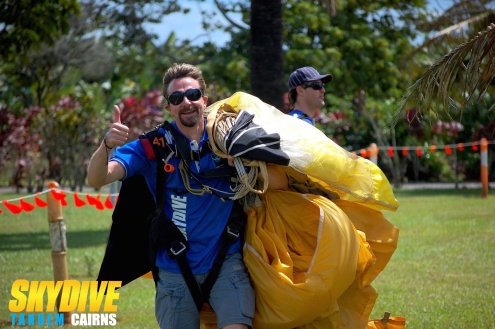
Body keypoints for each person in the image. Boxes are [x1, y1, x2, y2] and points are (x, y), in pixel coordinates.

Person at [87, 63, 287, 329]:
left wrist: (244, 163)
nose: (186, 102)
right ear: (168, 107)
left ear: (204, 100)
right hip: (174, 270)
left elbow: (280, 182)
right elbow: (97, 178)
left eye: (193, 95)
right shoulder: (154, 146)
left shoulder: (230, 139)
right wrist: (107, 144)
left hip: (227, 263)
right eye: (176, 98)